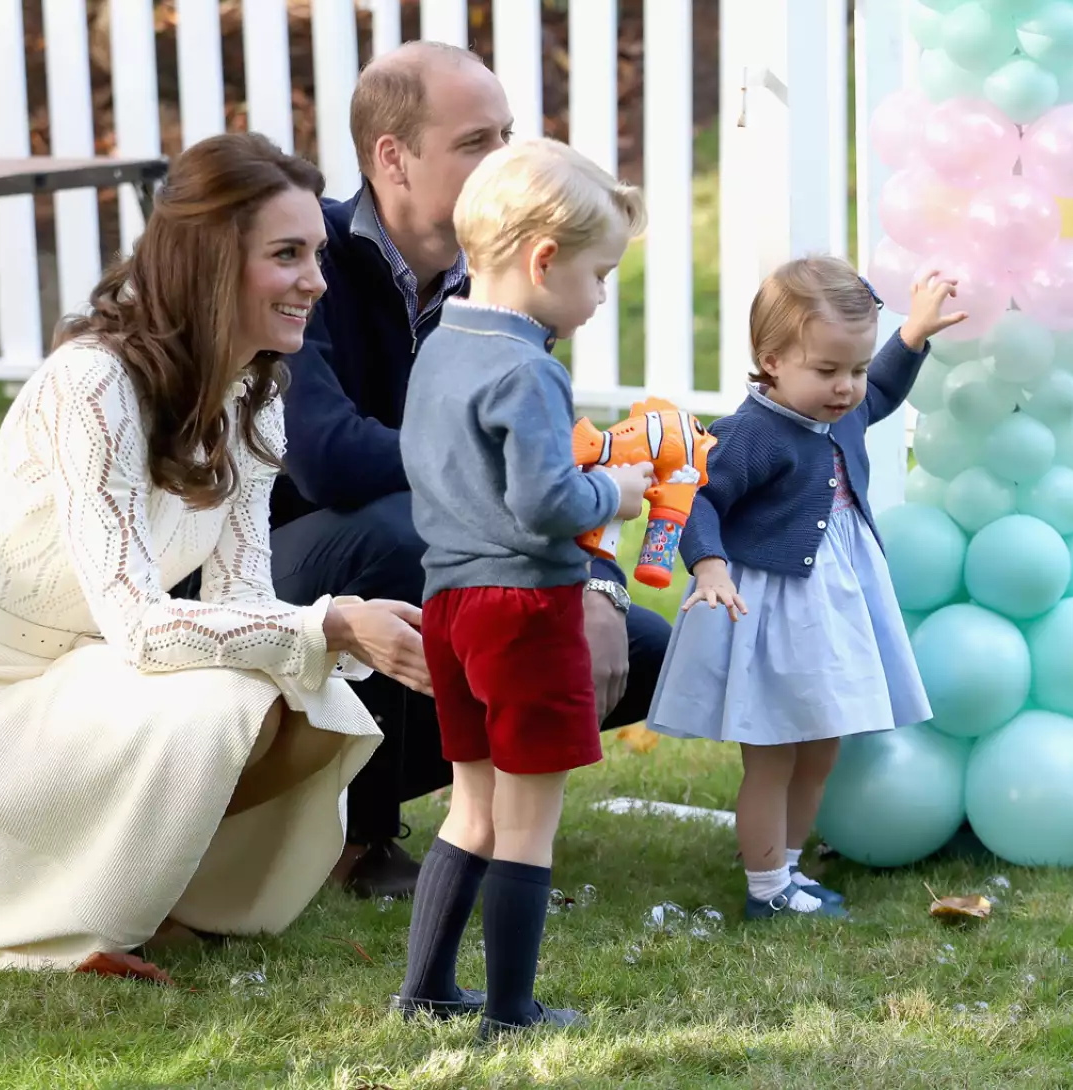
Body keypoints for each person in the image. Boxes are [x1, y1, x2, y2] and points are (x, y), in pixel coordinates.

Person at [0, 132, 430, 974]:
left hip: (91, 678)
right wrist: (331, 624)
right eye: (286, 254)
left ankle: (169, 890)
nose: (316, 279)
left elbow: (242, 599)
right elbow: (139, 629)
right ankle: (71, 905)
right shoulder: (94, 385)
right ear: (210, 262)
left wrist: (324, 637)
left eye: (316, 253)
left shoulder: (252, 395)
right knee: (228, 700)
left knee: (303, 696)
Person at [245, 39, 673, 900]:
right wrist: (475, 465)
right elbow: (326, 459)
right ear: (393, 159)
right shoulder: (309, 258)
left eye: (507, 134)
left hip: (429, 560)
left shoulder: (506, 277)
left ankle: (437, 813)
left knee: (642, 652)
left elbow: (541, 461)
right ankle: (358, 836)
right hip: (269, 577)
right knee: (400, 532)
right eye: (476, 140)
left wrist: (598, 585)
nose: (504, 157)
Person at [391, 138, 650, 1040]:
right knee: (529, 823)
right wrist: (613, 491)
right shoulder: (530, 369)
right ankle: (512, 1010)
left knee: (472, 807)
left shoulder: (441, 346)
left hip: (449, 604)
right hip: (527, 609)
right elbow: (546, 504)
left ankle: (427, 988)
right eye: (598, 275)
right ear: (543, 261)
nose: (601, 296)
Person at [645, 257, 967, 921]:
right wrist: (708, 564)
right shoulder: (752, 433)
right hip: (774, 611)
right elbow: (696, 496)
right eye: (827, 370)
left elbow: (881, 392)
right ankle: (766, 889)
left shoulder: (840, 406)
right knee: (773, 751)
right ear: (771, 361)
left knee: (821, 745)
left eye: (854, 368)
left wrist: (912, 335)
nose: (846, 388)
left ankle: (787, 870)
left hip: (835, 602)